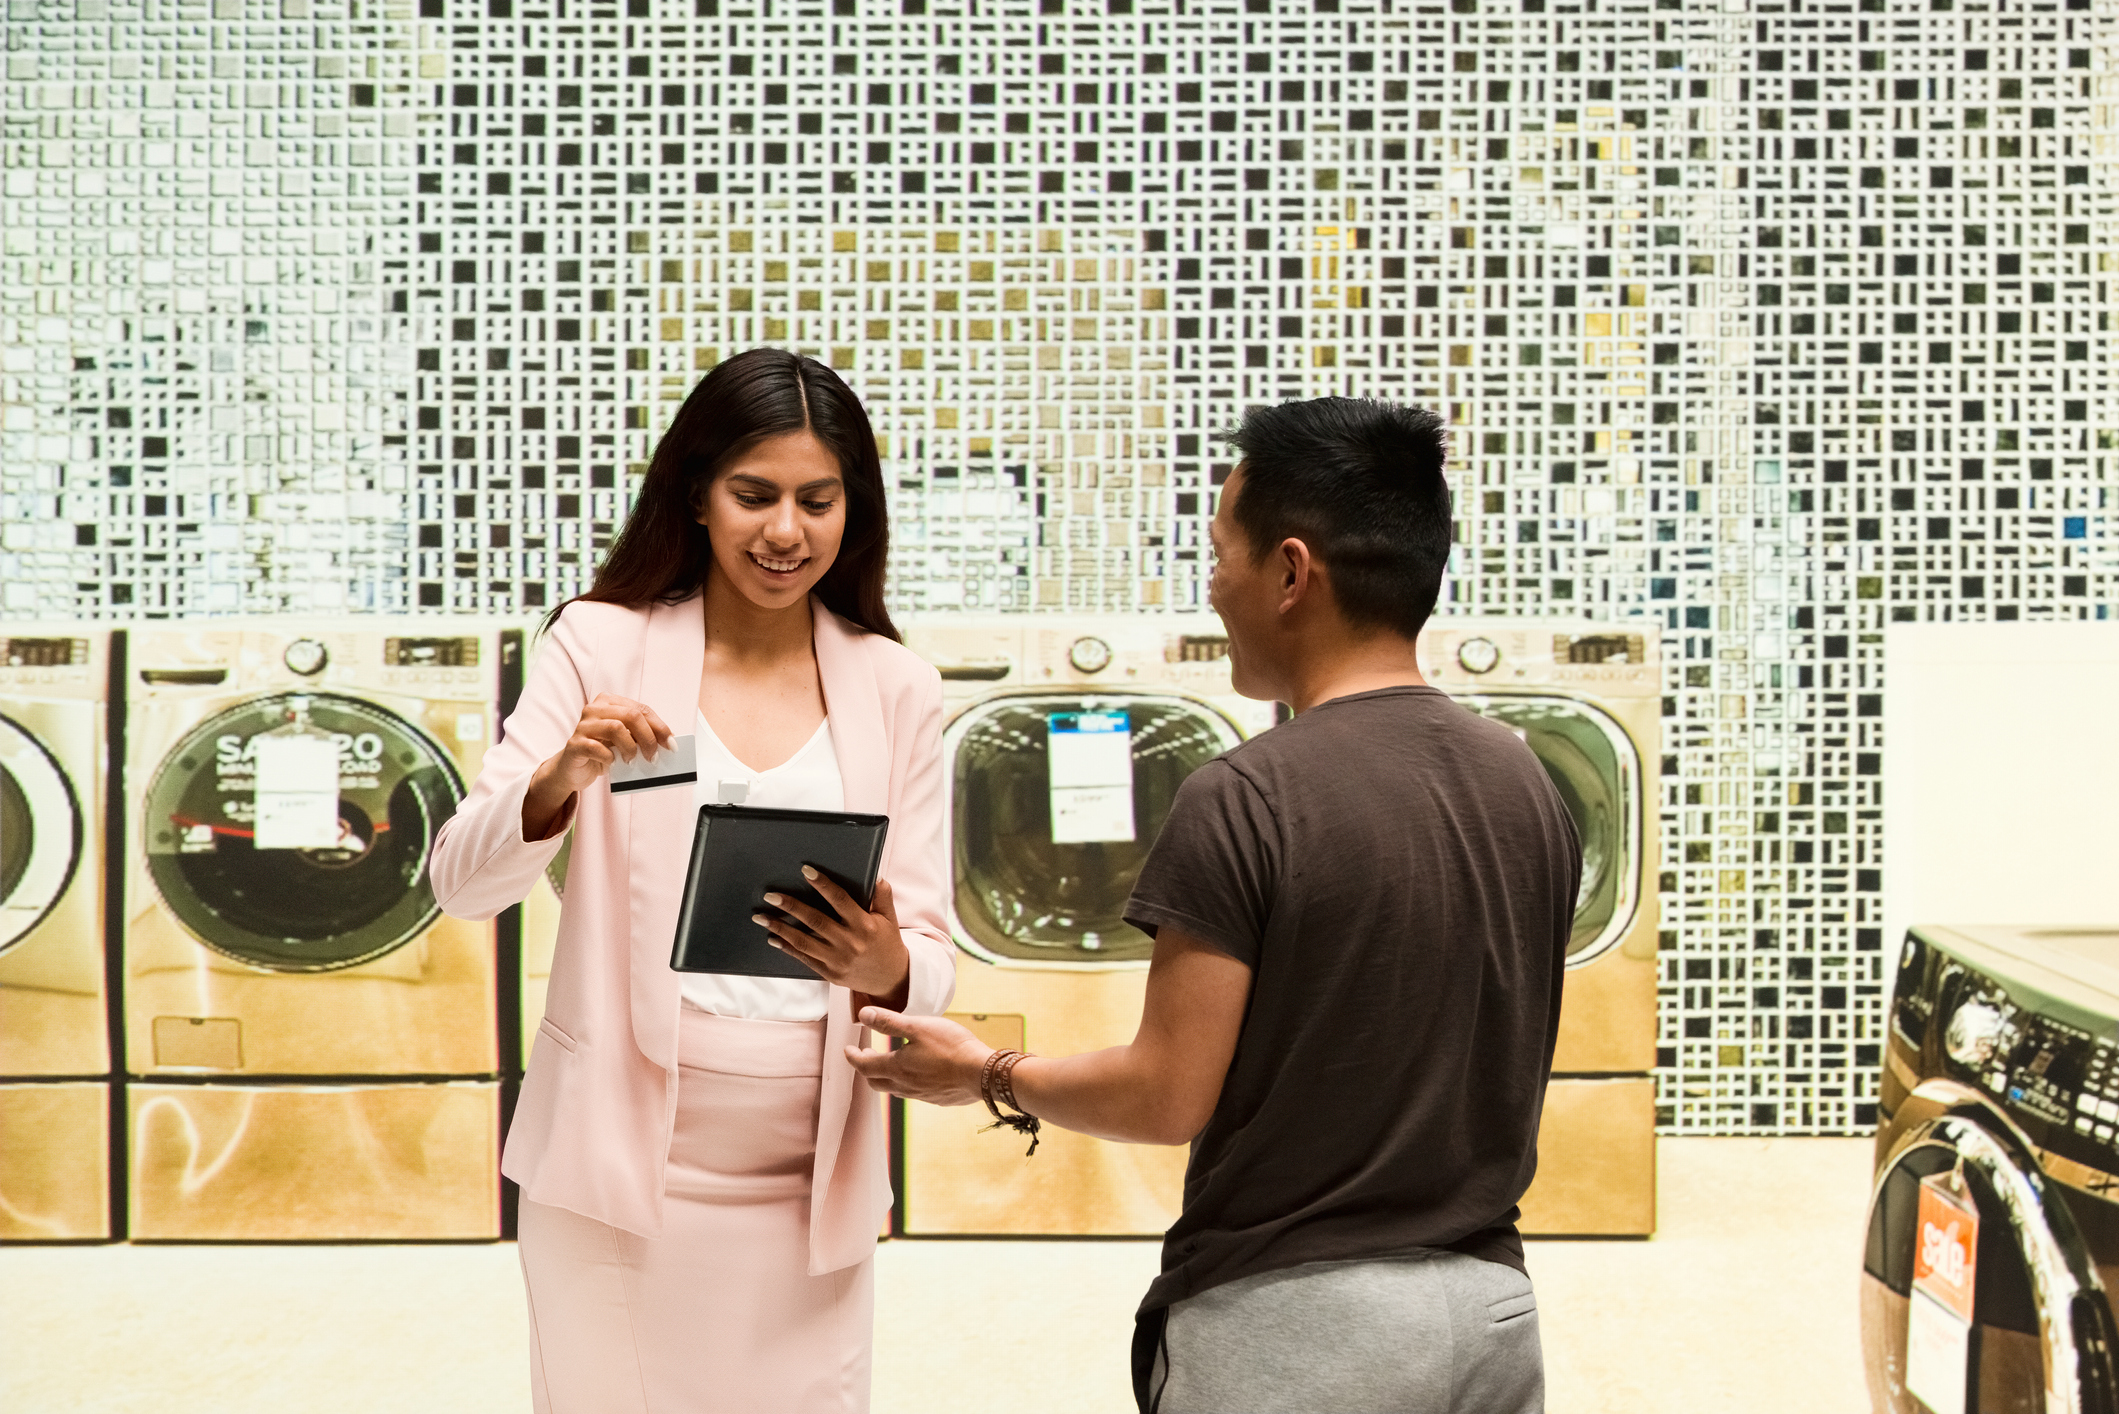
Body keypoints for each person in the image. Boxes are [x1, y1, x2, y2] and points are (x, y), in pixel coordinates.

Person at [851, 396, 1581, 1414]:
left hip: (1301, 1326)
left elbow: (1166, 1093)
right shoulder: (1527, 784)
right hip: (1493, 1312)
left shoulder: (1247, 794)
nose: (1212, 586)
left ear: (1291, 571)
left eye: (1219, 553)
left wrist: (987, 1072)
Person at [429, 348, 955, 1414]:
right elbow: (460, 884)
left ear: (855, 511)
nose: (785, 532)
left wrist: (889, 964)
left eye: (818, 500)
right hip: (617, 1162)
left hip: (811, 1171)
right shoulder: (604, 645)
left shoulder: (895, 685)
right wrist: (560, 778)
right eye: (753, 495)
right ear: (696, 497)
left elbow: (933, 957)